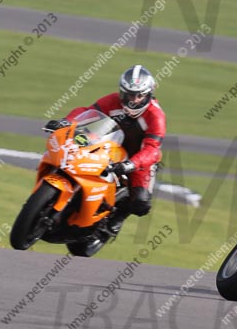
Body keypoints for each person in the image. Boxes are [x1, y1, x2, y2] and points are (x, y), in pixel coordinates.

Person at [45, 64, 166, 234]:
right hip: (110, 146)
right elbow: (87, 113)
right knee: (74, 155)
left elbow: (152, 149)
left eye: (139, 95)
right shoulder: (112, 100)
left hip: (139, 158)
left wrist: (131, 164)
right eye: (129, 94)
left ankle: (117, 218)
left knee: (141, 202)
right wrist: (66, 121)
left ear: (148, 94)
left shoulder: (156, 116)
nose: (133, 100)